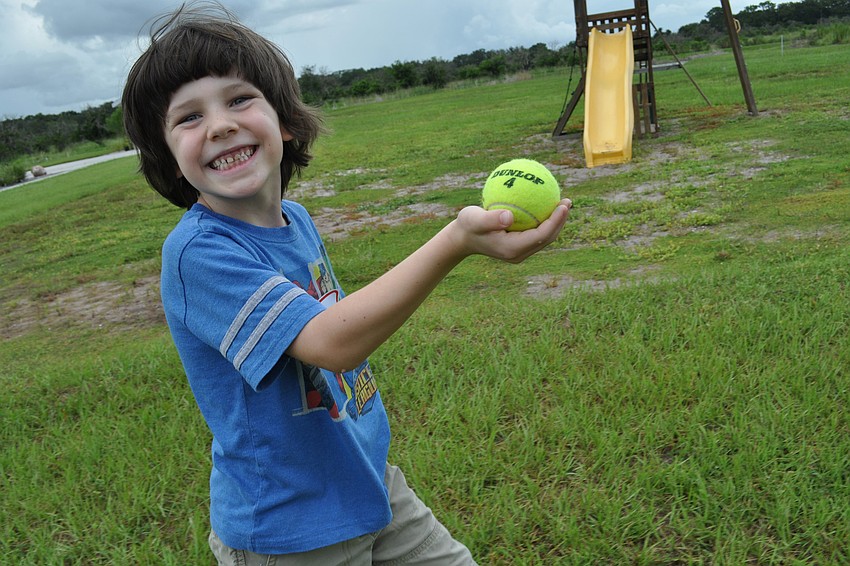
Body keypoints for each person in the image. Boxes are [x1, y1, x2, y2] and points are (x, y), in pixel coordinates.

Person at [122, 2, 571, 564]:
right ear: (169, 157)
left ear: (284, 121)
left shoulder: (297, 220)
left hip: (368, 480)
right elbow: (332, 342)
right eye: (188, 118)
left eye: (239, 99)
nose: (220, 124)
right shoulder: (198, 253)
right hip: (291, 525)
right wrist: (455, 241)